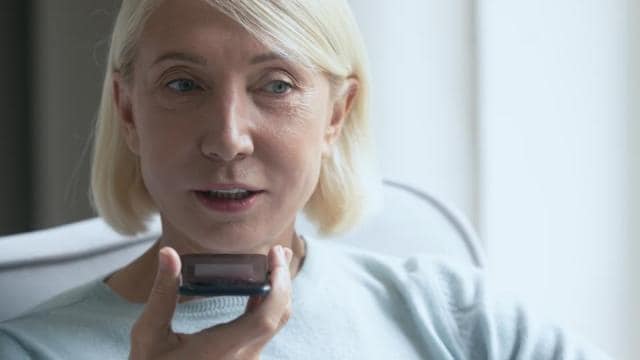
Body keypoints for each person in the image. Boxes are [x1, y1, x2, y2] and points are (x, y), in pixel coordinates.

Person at [0, 0, 612, 359]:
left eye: (277, 85)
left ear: (337, 115)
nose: (229, 138)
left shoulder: (458, 317)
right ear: (129, 111)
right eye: (183, 84)